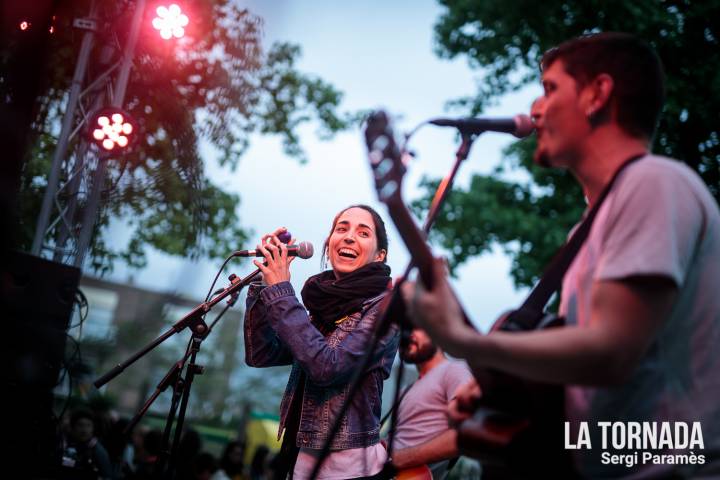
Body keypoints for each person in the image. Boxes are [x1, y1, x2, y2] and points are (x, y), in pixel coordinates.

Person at [403, 32, 720, 478]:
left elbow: (611, 352)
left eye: (551, 89)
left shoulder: (655, 181)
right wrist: (502, 386)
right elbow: (585, 366)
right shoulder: (585, 231)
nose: (536, 110)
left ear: (597, 94)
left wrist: (469, 342)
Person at [244, 205, 399, 479]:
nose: (349, 236)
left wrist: (280, 291)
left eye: (363, 232)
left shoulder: (385, 311)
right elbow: (262, 352)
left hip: (350, 472)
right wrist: (262, 281)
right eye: (342, 228)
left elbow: (328, 366)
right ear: (329, 245)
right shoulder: (320, 306)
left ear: (379, 256)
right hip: (297, 462)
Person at [387, 328, 472, 479]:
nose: (408, 334)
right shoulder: (405, 390)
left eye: (417, 327)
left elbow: (466, 433)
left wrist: (398, 459)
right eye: (406, 330)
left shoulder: (453, 370)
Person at [60, 407, 113, 480]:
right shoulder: (64, 445)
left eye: (88, 425)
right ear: (72, 427)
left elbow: (107, 476)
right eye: (80, 425)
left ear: (93, 428)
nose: (84, 430)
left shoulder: (98, 451)